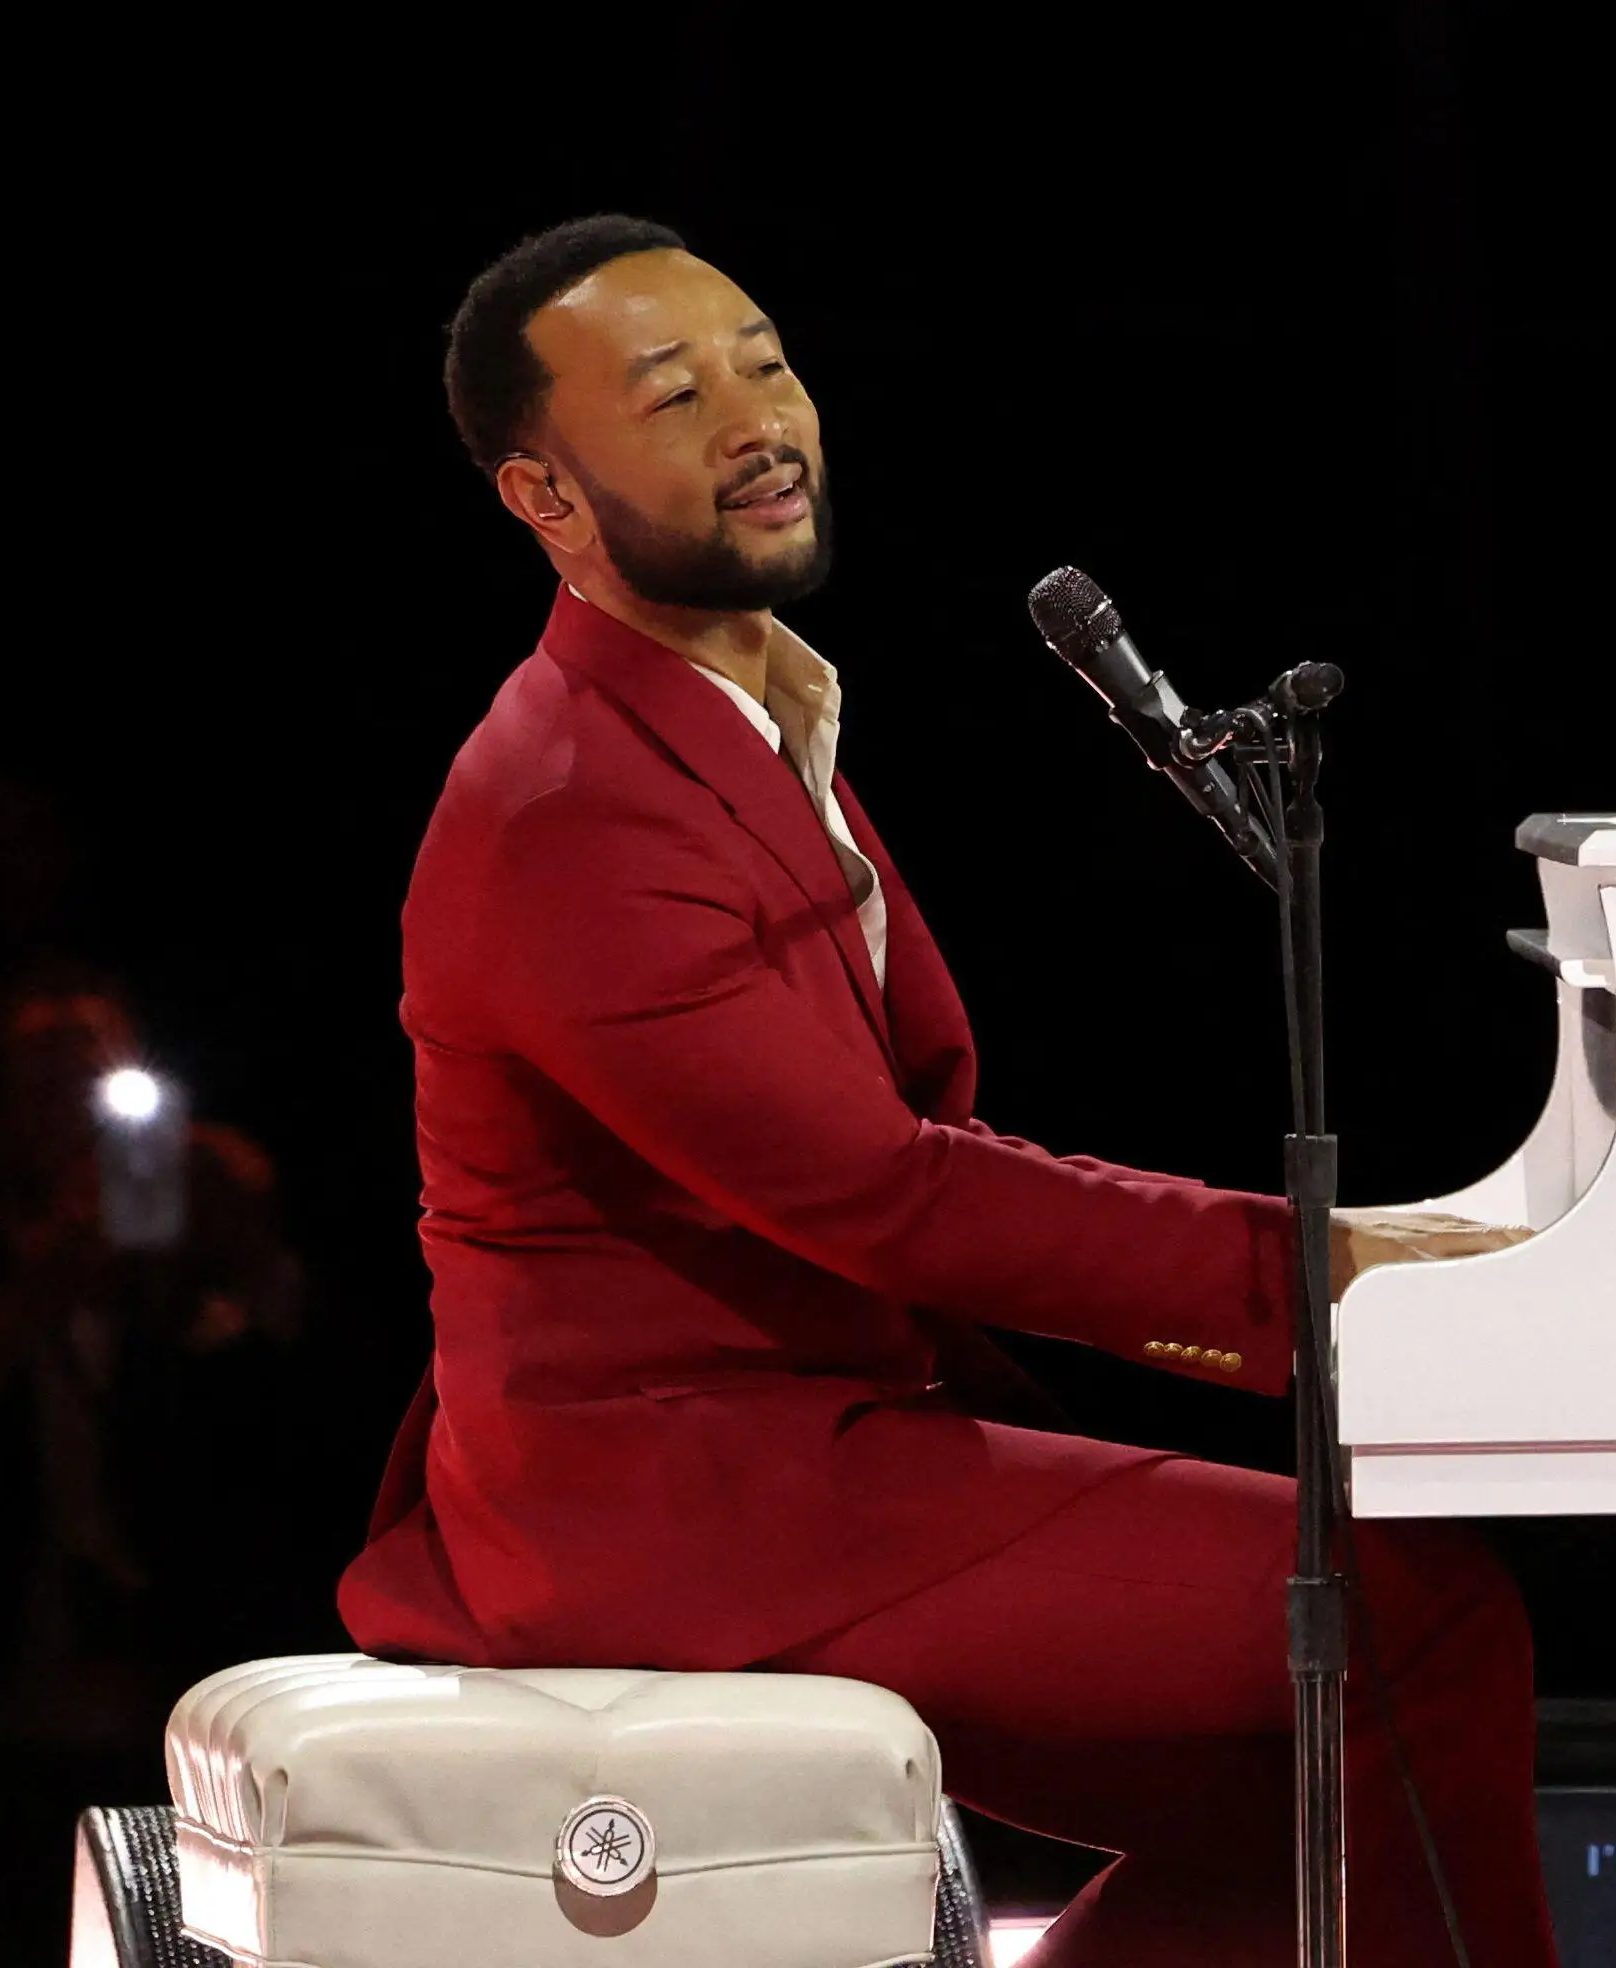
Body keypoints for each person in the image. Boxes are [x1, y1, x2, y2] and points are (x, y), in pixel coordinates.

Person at [335, 215, 1553, 1968]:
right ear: (544, 496)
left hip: (799, 1444)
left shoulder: (754, 712)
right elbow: (885, 1189)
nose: (756, 418)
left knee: (1338, 1768)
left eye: (765, 360)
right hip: (687, 1504)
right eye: (673, 396)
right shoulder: (569, 802)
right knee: (1414, 1627)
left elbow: (915, 1157)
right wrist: (1319, 1264)